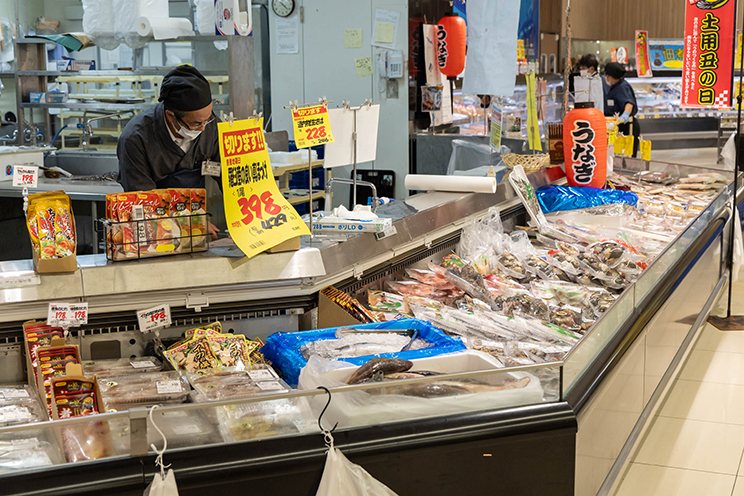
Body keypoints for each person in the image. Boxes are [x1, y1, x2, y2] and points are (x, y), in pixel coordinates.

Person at [117, 65, 221, 237]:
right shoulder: (136, 139)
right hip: (154, 229)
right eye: (196, 124)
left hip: (196, 218)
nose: (203, 129)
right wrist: (189, 222)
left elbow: (229, 178)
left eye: (208, 120)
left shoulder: (210, 126)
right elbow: (143, 200)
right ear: (170, 116)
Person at [603, 62, 640, 157]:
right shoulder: (614, 87)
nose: (605, 78)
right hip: (617, 127)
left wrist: (625, 114)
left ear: (610, 76)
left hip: (626, 127)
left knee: (626, 158)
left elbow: (629, 103)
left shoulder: (622, 87)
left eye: (606, 75)